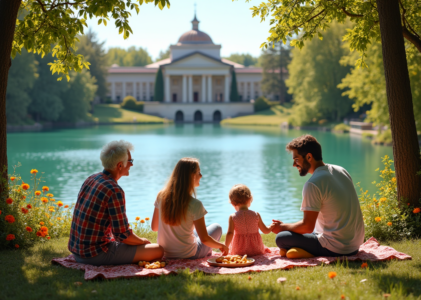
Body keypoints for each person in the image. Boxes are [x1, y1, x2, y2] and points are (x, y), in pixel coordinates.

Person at [68, 140, 164, 265]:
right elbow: (122, 235)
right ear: (120, 165)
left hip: (77, 251)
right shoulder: (114, 190)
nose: (132, 165)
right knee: (158, 250)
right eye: (130, 161)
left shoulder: (91, 178)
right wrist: (142, 241)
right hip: (94, 255)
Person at [271, 135, 364, 259]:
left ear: (309, 157)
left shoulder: (313, 183)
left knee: (281, 238)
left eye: (296, 159)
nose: (294, 164)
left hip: (336, 248)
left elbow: (307, 227)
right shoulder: (341, 170)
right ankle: (299, 250)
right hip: (355, 245)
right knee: (293, 232)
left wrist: (282, 227)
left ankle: (305, 252)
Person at [151, 158, 228, 259]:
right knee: (217, 227)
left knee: (194, 232)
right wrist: (221, 246)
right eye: (199, 172)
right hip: (189, 255)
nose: (201, 175)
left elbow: (154, 227)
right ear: (191, 176)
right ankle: (208, 252)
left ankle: (206, 250)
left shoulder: (161, 196)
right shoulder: (195, 204)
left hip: (165, 253)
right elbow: (204, 239)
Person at [225, 184, 272, 256]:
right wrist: (272, 226)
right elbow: (265, 231)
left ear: (232, 203)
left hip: (239, 252)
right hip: (257, 250)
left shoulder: (233, 217)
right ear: (250, 199)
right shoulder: (256, 215)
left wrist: (226, 247)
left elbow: (230, 233)